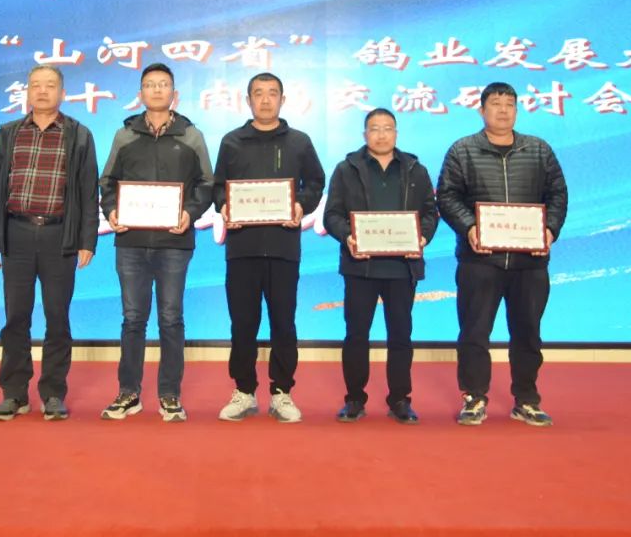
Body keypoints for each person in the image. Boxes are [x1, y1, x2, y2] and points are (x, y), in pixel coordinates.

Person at [436, 81, 568, 428]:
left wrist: (550, 229)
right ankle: (474, 397)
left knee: (528, 333)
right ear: (482, 110)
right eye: (496, 104)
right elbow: (447, 196)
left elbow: (557, 194)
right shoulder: (463, 150)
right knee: (474, 332)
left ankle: (526, 399)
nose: (503, 110)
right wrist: (469, 227)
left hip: (529, 262)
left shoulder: (538, 150)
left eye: (510, 104)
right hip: (480, 261)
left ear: (517, 111)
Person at [0, 65, 100, 422]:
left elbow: (88, 191)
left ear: (62, 93)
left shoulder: (79, 135)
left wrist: (87, 240)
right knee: (15, 318)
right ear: (27, 92)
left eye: (50, 85)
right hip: (16, 234)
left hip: (58, 236)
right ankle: (14, 394)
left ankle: (53, 393)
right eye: (36, 85)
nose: (42, 91)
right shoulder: (9, 134)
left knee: (57, 318)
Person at [98, 63, 214, 422]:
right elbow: (107, 181)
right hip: (131, 242)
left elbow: (206, 184)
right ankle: (128, 392)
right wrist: (112, 210)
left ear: (174, 94)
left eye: (164, 84)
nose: (157, 90)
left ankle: (169, 394)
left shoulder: (191, 135)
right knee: (133, 319)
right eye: (150, 84)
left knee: (170, 318)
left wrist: (190, 213)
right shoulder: (125, 135)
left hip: (174, 243)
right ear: (141, 93)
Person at [212, 73, 326, 423]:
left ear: (282, 100)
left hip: (283, 248)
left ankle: (281, 392)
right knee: (242, 324)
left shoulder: (299, 142)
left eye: (272, 93)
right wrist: (225, 206)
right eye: (258, 94)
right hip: (242, 249)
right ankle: (244, 391)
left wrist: (301, 205)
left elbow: (316, 182)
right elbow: (217, 187)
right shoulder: (232, 142)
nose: (265, 100)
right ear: (248, 100)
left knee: (283, 323)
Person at [323, 108, 437, 425]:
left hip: (402, 268)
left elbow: (430, 212)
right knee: (356, 335)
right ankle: (354, 399)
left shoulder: (415, 170)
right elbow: (332, 215)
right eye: (375, 128)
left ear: (396, 133)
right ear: (365, 134)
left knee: (400, 335)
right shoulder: (347, 169)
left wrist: (423, 236)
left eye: (388, 128)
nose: (382, 134)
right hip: (360, 267)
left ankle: (400, 399)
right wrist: (348, 236)